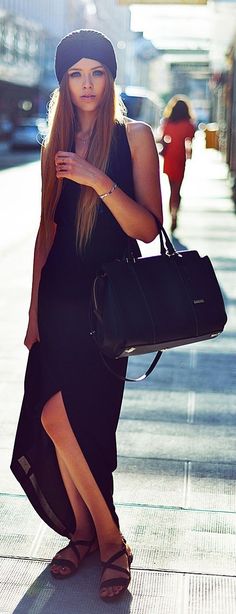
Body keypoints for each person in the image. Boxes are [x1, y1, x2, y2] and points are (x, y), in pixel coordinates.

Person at [11, 29, 163, 602]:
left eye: (95, 71)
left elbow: (148, 228)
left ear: (110, 76)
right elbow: (46, 233)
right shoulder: (55, 146)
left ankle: (105, 539)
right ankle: (92, 534)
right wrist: (31, 312)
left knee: (87, 427)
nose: (86, 84)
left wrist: (100, 182)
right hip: (57, 301)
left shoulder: (136, 138)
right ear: (63, 82)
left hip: (107, 308)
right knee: (52, 421)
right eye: (75, 74)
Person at [160, 95, 195, 232]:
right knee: (177, 189)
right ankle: (175, 215)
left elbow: (163, 139)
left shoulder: (168, 122)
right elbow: (190, 140)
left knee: (170, 189)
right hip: (180, 157)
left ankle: (171, 214)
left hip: (169, 157)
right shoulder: (188, 124)